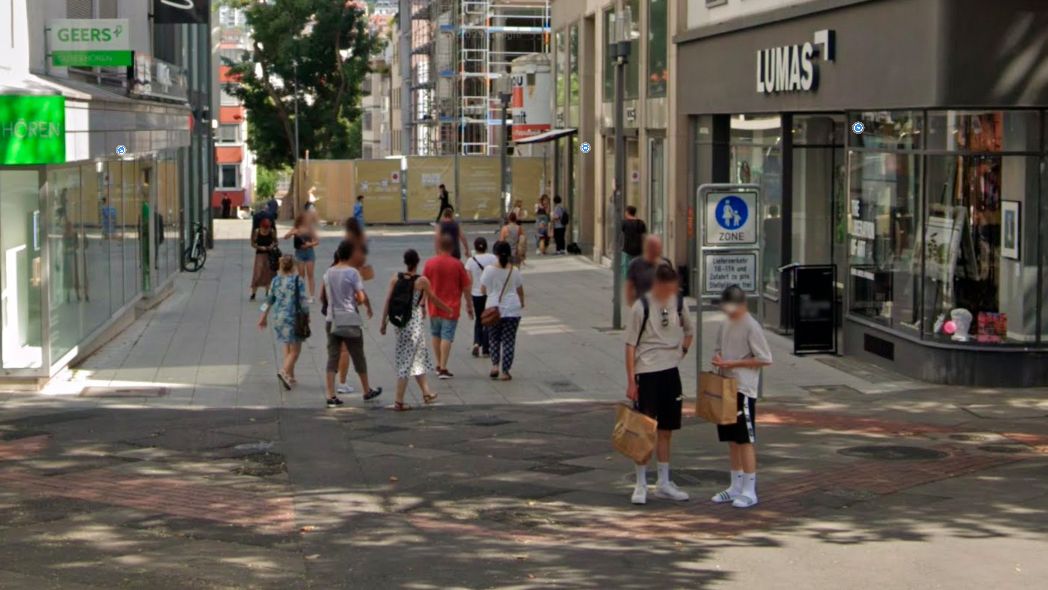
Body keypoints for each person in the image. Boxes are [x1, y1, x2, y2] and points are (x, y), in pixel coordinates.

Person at [624, 264, 694, 505]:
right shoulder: (641, 307)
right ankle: (640, 483)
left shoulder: (678, 302)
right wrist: (631, 380)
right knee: (644, 429)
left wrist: (680, 352)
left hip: (670, 372)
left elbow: (689, 331)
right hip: (647, 372)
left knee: (666, 430)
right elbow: (630, 345)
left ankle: (663, 482)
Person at [710, 284, 773, 509]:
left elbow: (765, 358)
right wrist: (719, 359)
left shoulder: (750, 325)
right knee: (732, 439)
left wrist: (733, 363)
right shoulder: (725, 322)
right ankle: (735, 485)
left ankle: (749, 488)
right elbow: (718, 348)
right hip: (726, 386)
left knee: (745, 439)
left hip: (743, 388)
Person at [379, 249, 452, 411]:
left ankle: (426, 392)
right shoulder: (422, 281)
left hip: (400, 324)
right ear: (417, 262)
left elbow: (388, 300)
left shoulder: (395, 278)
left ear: (405, 261)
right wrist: (448, 310)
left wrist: (383, 322)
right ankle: (399, 401)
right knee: (407, 361)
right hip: (414, 325)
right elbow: (433, 299)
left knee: (418, 357)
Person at [322, 240, 382, 407]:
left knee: (332, 357)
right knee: (358, 355)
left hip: (332, 319)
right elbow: (361, 297)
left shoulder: (328, 273)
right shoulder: (353, 273)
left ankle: (330, 394)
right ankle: (366, 390)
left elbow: (327, 297)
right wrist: (364, 305)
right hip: (349, 318)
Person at [423, 234, 474, 379]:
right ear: (452, 247)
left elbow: (423, 285)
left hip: (433, 306)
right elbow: (466, 287)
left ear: (439, 246)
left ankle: (438, 364)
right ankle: (444, 367)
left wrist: (421, 304)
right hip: (451, 307)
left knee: (436, 334)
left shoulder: (429, 263)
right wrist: (469, 305)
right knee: (447, 336)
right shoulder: (457, 264)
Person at [258, 254, 308, 389]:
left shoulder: (275, 280)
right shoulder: (298, 280)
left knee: (287, 346)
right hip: (294, 318)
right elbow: (303, 301)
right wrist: (307, 316)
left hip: (279, 318)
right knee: (296, 351)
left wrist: (263, 317)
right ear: (294, 266)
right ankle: (284, 371)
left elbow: (269, 300)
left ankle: (291, 377)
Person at [481, 241, 525, 380]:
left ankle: (495, 366)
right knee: (509, 341)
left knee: (494, 339)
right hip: (512, 309)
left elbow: (482, 289)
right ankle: (505, 372)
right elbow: (520, 290)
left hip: (494, 308)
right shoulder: (515, 270)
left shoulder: (489, 270)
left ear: (496, 254)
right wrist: (521, 303)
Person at [464, 237, 497, 357]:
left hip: (476, 294)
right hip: (490, 293)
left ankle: (476, 343)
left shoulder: (470, 261)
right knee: (488, 320)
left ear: (475, 247)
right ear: (486, 246)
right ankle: (486, 349)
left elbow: (469, 280)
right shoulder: (492, 258)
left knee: (479, 319)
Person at [626, 235, 668, 306]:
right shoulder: (635, 264)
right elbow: (629, 287)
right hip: (642, 308)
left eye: (659, 247)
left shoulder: (665, 264)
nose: (658, 250)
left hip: (660, 308)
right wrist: (633, 306)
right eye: (654, 247)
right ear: (647, 248)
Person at [285, 213, 319, 302]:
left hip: (309, 252)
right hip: (299, 253)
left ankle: (312, 296)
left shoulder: (310, 229)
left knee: (310, 275)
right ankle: (301, 294)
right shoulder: (296, 228)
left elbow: (317, 241)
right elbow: (285, 237)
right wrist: (292, 233)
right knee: (301, 275)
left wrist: (309, 244)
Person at [250, 218, 278, 301]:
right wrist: (260, 247)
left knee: (270, 273)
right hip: (260, 255)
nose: (266, 230)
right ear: (261, 226)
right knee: (258, 273)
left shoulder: (271, 232)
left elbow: (276, 242)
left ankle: (268, 291)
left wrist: (272, 246)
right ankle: (253, 293)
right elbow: (253, 243)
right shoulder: (257, 232)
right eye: (264, 228)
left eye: (267, 228)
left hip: (270, 255)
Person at [621, 205, 647, 277]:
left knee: (626, 269)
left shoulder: (624, 223)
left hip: (627, 250)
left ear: (627, 212)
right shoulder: (641, 223)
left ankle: (628, 284)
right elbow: (644, 237)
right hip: (639, 250)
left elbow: (620, 236)